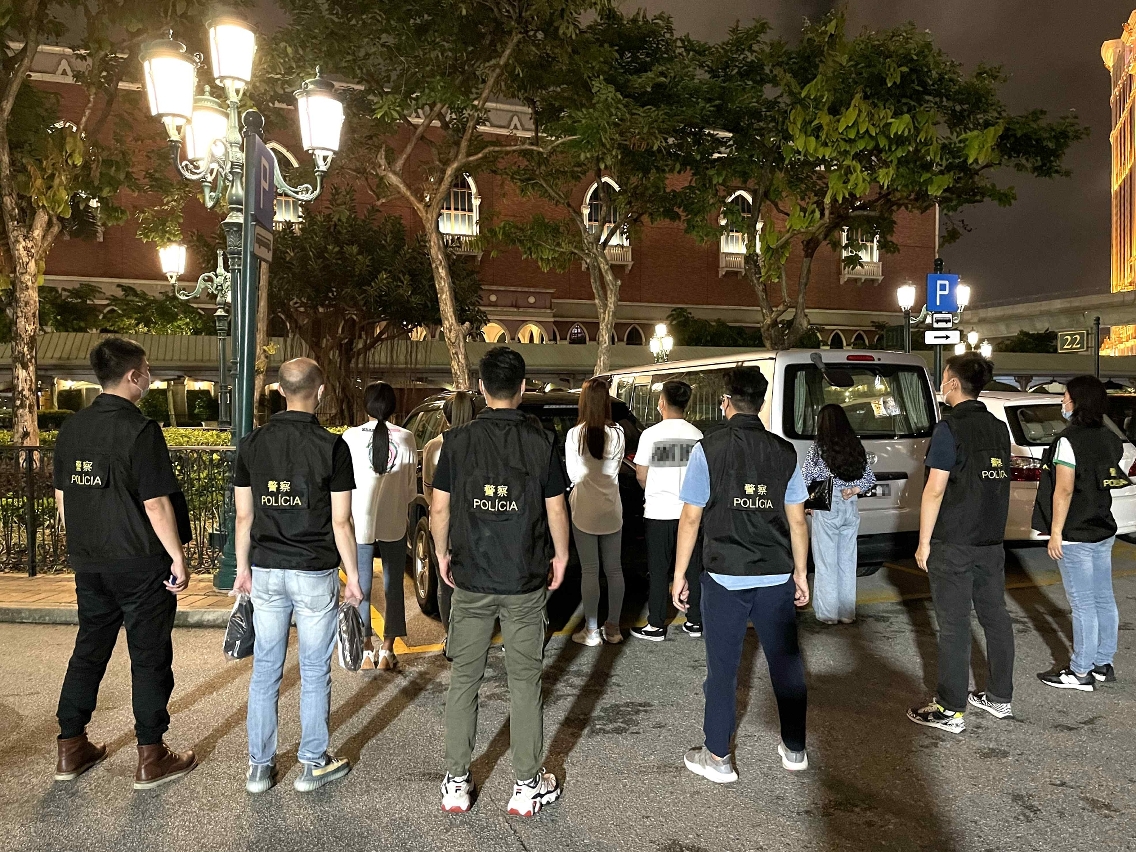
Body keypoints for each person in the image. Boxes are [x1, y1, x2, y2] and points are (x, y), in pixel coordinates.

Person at [52, 337, 197, 790]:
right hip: (139, 561)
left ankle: (71, 744)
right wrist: (177, 556)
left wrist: (83, 545)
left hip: (91, 561)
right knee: (149, 655)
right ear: (134, 376)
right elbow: (155, 503)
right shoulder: (140, 430)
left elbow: (63, 498)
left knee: (89, 647)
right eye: (147, 370)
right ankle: (151, 755)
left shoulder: (72, 428)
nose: (149, 377)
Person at [430, 347, 571, 816]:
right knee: (525, 681)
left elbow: (440, 508)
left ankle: (456, 782)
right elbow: (556, 508)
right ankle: (527, 785)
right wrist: (561, 555)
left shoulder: (456, 442)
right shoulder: (542, 442)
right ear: (523, 388)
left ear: (481, 388)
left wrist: (441, 552)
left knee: (464, 679)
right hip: (525, 578)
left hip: (471, 576)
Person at [232, 357, 364, 794]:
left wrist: (243, 569)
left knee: (266, 668)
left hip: (266, 569)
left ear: (279, 390)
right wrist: (353, 577)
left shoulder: (251, 444)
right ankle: (312, 764)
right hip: (313, 569)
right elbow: (341, 522)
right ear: (320, 392)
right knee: (313, 669)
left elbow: (244, 516)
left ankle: (259, 769)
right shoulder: (332, 447)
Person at [672, 367, 812, 781]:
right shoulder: (785, 452)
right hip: (775, 575)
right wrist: (801, 573)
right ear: (761, 403)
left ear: (726, 402)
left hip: (724, 576)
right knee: (786, 664)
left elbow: (691, 518)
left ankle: (718, 757)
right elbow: (797, 520)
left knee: (723, 669)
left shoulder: (708, 449)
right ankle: (795, 749)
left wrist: (679, 573)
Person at [909, 352, 1015, 733]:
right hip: (990, 540)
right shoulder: (998, 428)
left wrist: (924, 542)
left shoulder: (949, 428)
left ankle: (949, 708)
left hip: (953, 540)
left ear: (953, 383)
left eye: (943, 377)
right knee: (995, 616)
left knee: (954, 625)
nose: (941, 383)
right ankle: (999, 696)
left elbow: (935, 490)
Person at [1033, 375, 1124, 691]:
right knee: (1103, 598)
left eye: (1066, 396)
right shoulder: (1110, 438)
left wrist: (1056, 532)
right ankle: (1102, 664)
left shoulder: (1067, 441)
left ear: (1078, 402)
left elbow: (1064, 490)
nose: (1063, 401)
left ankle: (1080, 671)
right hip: (1102, 527)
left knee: (1083, 604)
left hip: (1076, 533)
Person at [343, 382, 417, 670]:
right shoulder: (407, 438)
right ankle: (387, 649)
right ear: (392, 406)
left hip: (358, 522)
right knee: (393, 584)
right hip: (394, 520)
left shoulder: (350, 437)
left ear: (367, 405)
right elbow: (410, 491)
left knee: (359, 584)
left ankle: (364, 649)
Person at [631, 379, 704, 641]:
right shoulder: (697, 436)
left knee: (659, 569)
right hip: (690, 513)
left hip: (659, 512)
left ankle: (656, 624)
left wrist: (655, 489)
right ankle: (695, 620)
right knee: (694, 567)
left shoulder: (651, 435)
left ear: (662, 402)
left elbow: (641, 474)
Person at [566, 378, 626, 646]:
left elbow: (573, 475)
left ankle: (591, 631)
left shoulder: (574, 434)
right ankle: (613, 629)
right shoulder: (618, 433)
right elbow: (615, 469)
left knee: (590, 570)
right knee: (614, 570)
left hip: (584, 509)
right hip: (611, 507)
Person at [802, 404, 876, 625]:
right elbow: (869, 479)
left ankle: (828, 614)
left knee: (826, 562)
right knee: (847, 560)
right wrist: (853, 490)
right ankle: (847, 613)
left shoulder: (818, 449)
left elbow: (806, 477)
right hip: (850, 506)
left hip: (827, 506)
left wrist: (807, 503)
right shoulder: (855, 445)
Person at [423, 391, 476, 633]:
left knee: (446, 586)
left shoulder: (435, 446)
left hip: (444, 528)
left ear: (445, 417)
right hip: (476, 525)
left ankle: (451, 637)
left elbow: (430, 494)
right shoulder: (481, 444)